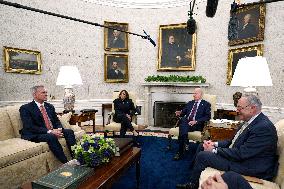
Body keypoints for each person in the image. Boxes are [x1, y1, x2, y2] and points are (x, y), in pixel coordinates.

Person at [176, 94, 278, 189]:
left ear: (253, 108)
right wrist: (214, 143)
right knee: (203, 145)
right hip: (240, 157)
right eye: (237, 107)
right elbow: (232, 141)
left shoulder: (263, 127)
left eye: (240, 108)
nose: (237, 111)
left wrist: (215, 150)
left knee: (203, 156)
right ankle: (193, 174)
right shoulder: (249, 121)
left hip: (250, 166)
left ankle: (192, 185)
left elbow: (242, 153)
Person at [20, 85, 76, 163]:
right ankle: (66, 163)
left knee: (69, 132)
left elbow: (56, 121)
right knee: (51, 136)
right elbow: (30, 126)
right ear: (35, 95)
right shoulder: (25, 108)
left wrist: (59, 129)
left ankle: (76, 158)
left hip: (52, 131)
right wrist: (50, 131)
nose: (46, 94)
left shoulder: (49, 106)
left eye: (46, 92)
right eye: (43, 92)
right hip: (35, 133)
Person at [173, 87, 211, 160]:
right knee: (184, 120)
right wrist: (179, 113)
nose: (193, 95)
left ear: (201, 94)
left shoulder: (206, 104)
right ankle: (183, 146)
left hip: (196, 125)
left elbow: (207, 117)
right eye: (193, 93)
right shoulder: (190, 103)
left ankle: (180, 150)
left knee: (182, 125)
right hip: (187, 123)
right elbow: (183, 113)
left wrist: (196, 121)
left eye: (195, 93)